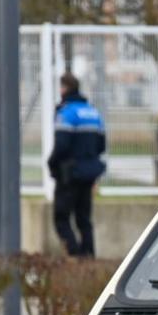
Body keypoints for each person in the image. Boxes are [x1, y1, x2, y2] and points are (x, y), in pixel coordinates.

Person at [47, 72, 106, 257]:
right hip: (88, 174)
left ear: (64, 88)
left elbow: (61, 145)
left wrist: (52, 164)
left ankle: (75, 255)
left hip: (69, 174)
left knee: (61, 218)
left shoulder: (67, 113)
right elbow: (101, 145)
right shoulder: (93, 113)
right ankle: (89, 255)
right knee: (84, 218)